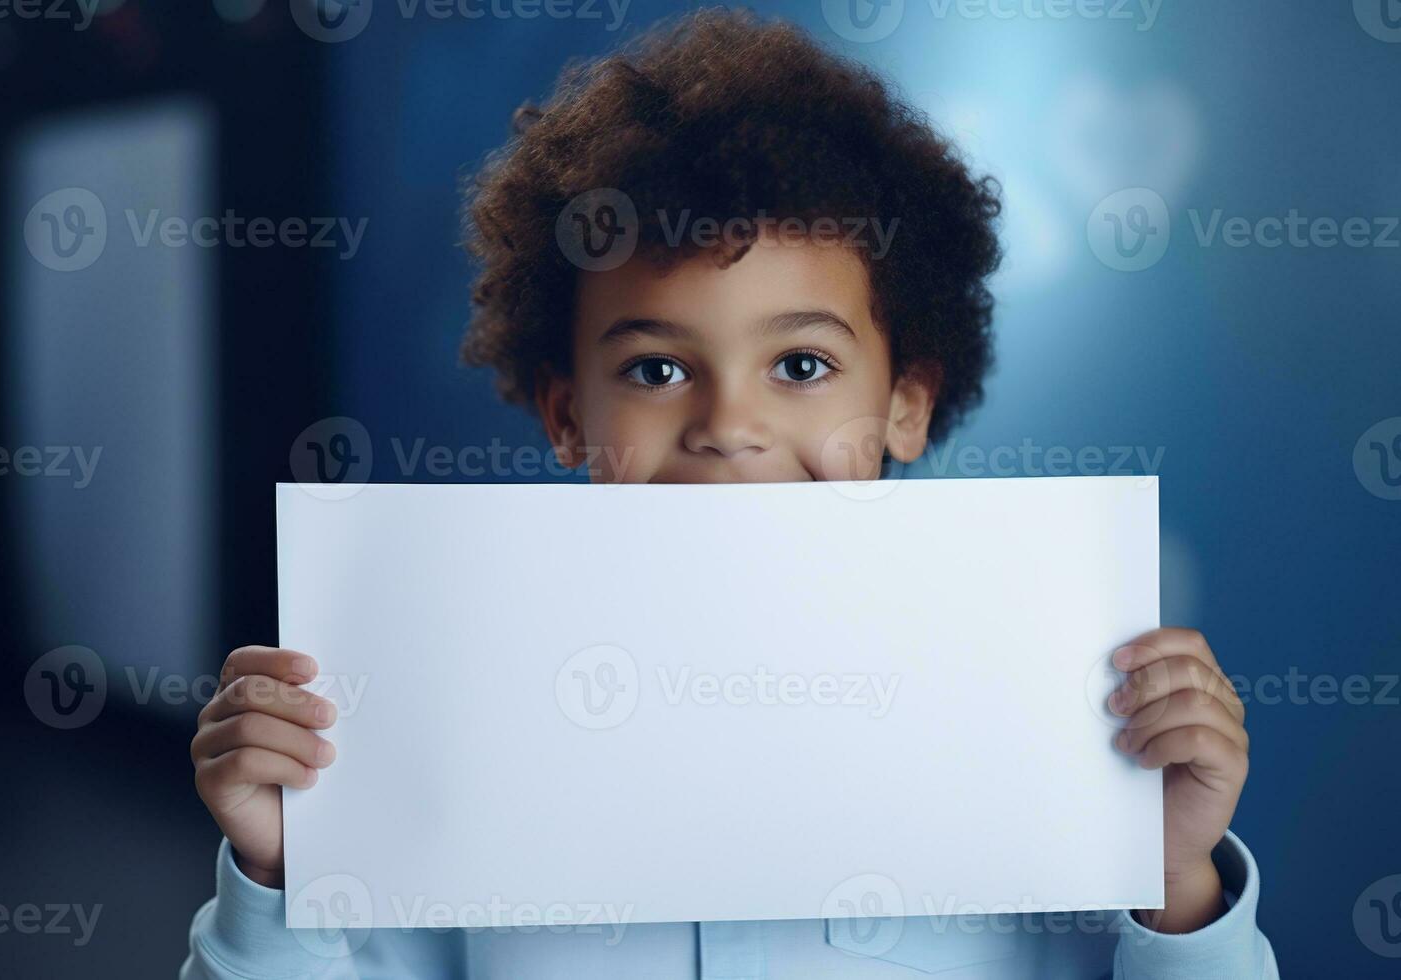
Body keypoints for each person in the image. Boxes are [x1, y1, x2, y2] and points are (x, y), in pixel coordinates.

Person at [183, 9, 1278, 977]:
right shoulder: (446, 705)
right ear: (568, 414)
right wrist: (284, 870)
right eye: (655, 369)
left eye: (800, 365)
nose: (727, 426)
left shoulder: (1042, 703)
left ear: (906, 402)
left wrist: (1173, 878)